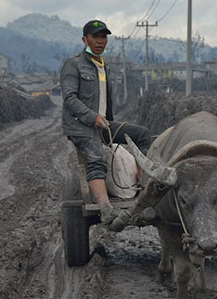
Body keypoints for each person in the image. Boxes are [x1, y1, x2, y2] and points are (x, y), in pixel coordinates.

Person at [61, 19, 151, 226]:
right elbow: (70, 99)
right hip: (82, 127)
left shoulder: (103, 66)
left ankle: (142, 190)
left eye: (104, 37)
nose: (100, 41)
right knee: (96, 158)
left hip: (103, 125)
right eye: (95, 37)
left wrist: (106, 121)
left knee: (143, 134)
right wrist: (93, 117)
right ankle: (106, 209)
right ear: (85, 40)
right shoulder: (74, 65)